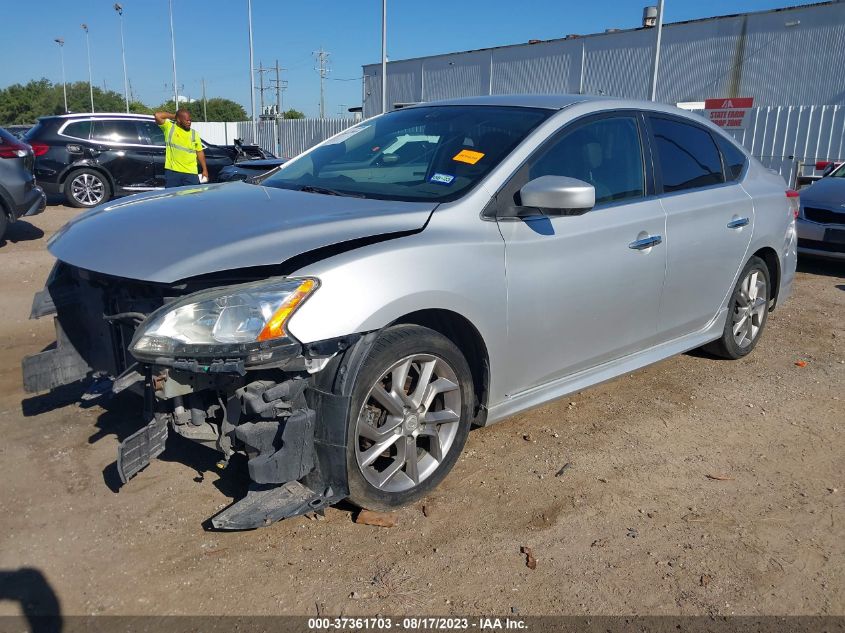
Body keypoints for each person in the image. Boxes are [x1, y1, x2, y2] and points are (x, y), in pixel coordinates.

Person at [154, 108, 209, 187]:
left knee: (192, 198)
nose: (189, 122)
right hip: (173, 172)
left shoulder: (194, 134)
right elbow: (157, 115)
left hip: (191, 173)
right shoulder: (169, 128)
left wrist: (205, 170)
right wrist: (175, 116)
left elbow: (200, 152)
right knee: (173, 198)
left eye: (190, 120)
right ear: (179, 120)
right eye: (186, 120)